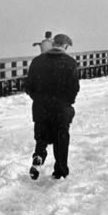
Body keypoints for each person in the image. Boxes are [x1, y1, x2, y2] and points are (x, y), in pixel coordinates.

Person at [25, 33, 80, 180]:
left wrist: (39, 99)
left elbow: (28, 86)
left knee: (41, 138)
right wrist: (67, 102)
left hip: (41, 109)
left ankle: (38, 158)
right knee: (61, 140)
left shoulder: (37, 61)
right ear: (65, 46)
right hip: (61, 109)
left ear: (53, 43)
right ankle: (60, 170)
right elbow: (74, 88)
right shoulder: (70, 63)